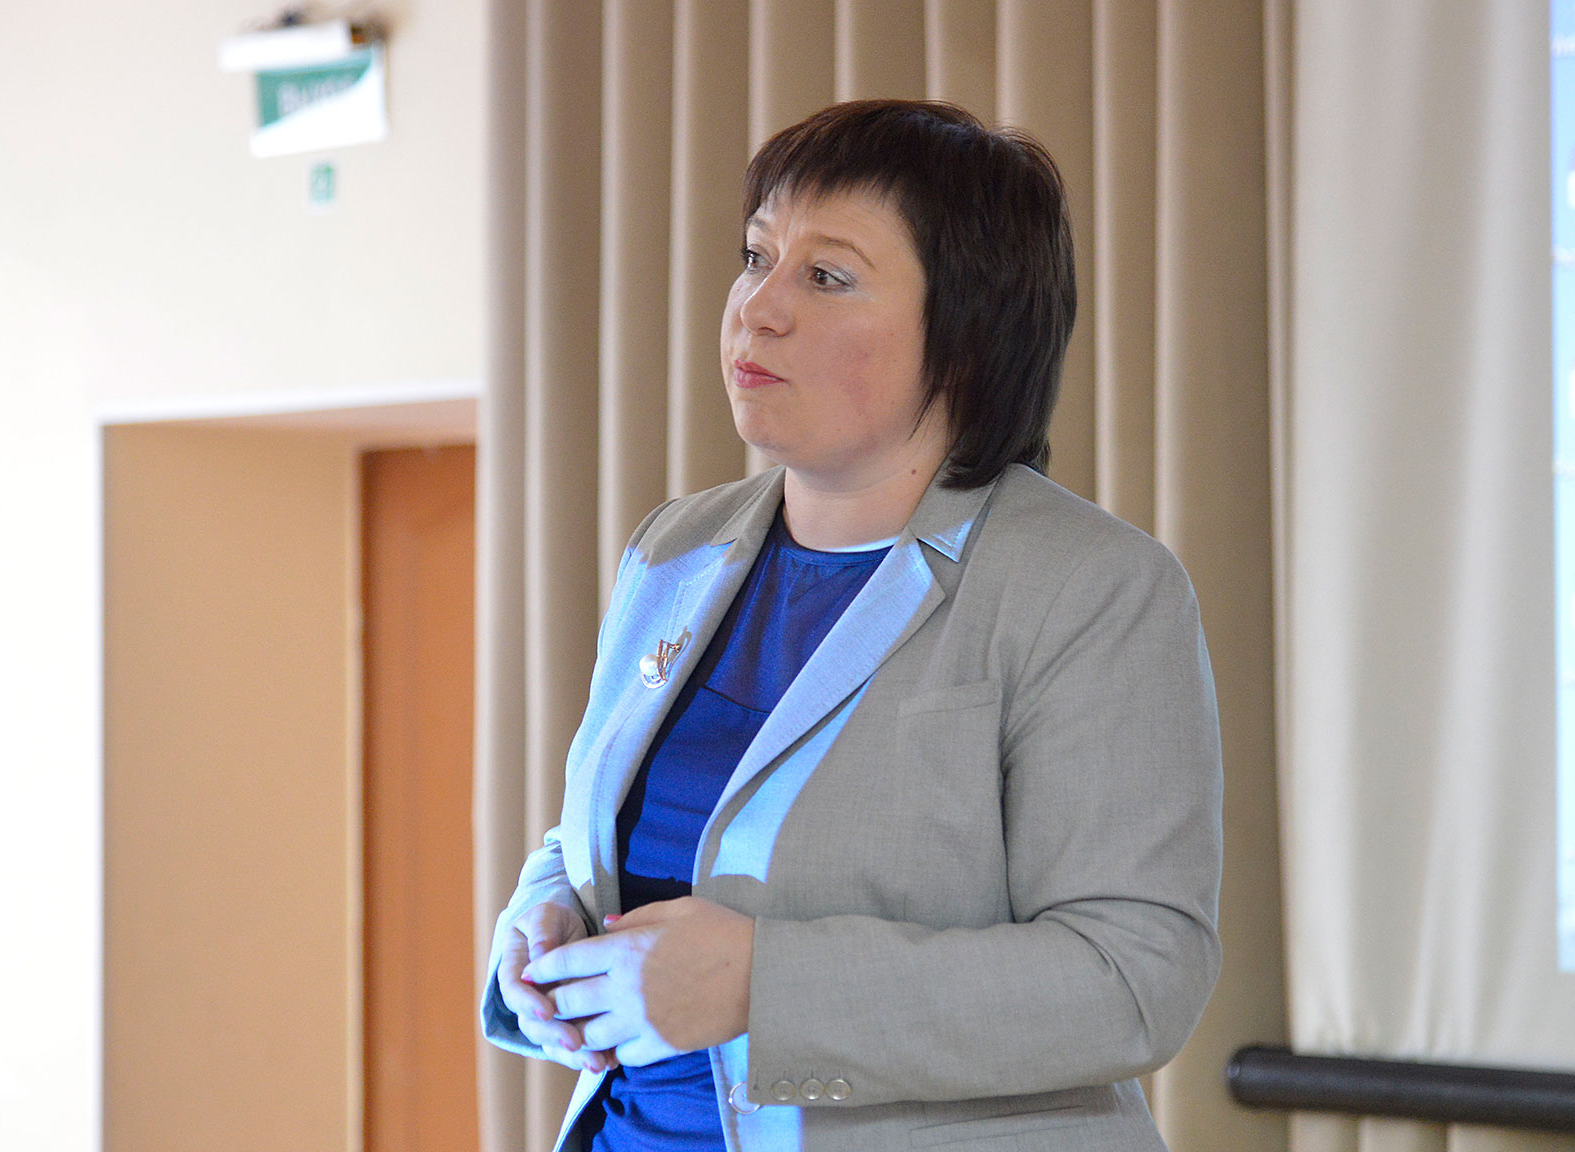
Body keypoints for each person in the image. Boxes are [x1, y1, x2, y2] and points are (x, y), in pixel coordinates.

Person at [481, 99, 1222, 1151]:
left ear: (965, 336)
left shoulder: (1093, 587)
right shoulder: (672, 551)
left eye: (826, 277)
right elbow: (602, 835)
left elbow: (1134, 977)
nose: (757, 307)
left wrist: (764, 985)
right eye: (756, 257)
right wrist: (547, 914)